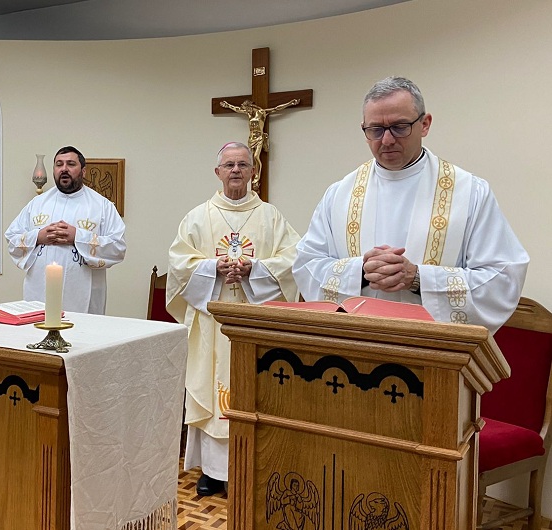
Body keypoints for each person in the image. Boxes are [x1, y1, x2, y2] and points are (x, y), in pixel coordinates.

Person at [292, 77, 529, 333]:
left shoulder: (470, 192)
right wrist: (359, 272)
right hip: (356, 342)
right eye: (375, 130)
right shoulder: (340, 194)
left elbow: (502, 278)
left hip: (431, 347)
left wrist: (418, 278)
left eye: (399, 127)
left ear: (424, 124)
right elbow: (307, 264)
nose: (387, 140)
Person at [167, 142, 300, 496]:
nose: (236, 170)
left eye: (243, 164)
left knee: (255, 396)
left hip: (257, 325)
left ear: (253, 171)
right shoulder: (198, 217)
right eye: (229, 165)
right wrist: (213, 268)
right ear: (218, 172)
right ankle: (213, 472)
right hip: (212, 324)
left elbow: (294, 260)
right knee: (211, 395)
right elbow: (178, 266)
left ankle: (253, 468)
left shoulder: (271, 217)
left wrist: (256, 269)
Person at [5, 146, 126, 314]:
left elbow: (118, 247)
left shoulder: (102, 206)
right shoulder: (37, 204)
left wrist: (78, 237)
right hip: (40, 294)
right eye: (59, 164)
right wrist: (38, 236)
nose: (64, 169)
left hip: (83, 296)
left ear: (83, 171)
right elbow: (12, 238)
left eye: (71, 164)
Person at [219, 99, 299, 193]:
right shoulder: (249, 114)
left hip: (259, 138)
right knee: (251, 160)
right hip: (251, 139)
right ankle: (255, 179)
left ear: (251, 107)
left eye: (247, 109)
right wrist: (227, 105)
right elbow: (237, 109)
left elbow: (276, 108)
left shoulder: (262, 112)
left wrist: (290, 103)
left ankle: (256, 177)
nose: (246, 111)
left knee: (256, 157)